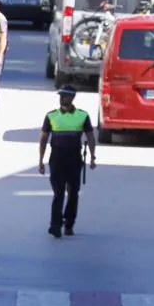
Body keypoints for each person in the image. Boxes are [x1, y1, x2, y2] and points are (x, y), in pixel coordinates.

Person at [38, 85, 98, 238]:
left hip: (74, 159)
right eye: (60, 96)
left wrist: (92, 156)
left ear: (72, 98)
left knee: (73, 193)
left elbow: (90, 137)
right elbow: (44, 139)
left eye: (64, 96)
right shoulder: (51, 116)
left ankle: (69, 223)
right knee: (58, 193)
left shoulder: (82, 116)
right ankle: (55, 225)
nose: (61, 99)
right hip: (56, 159)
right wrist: (40, 160)